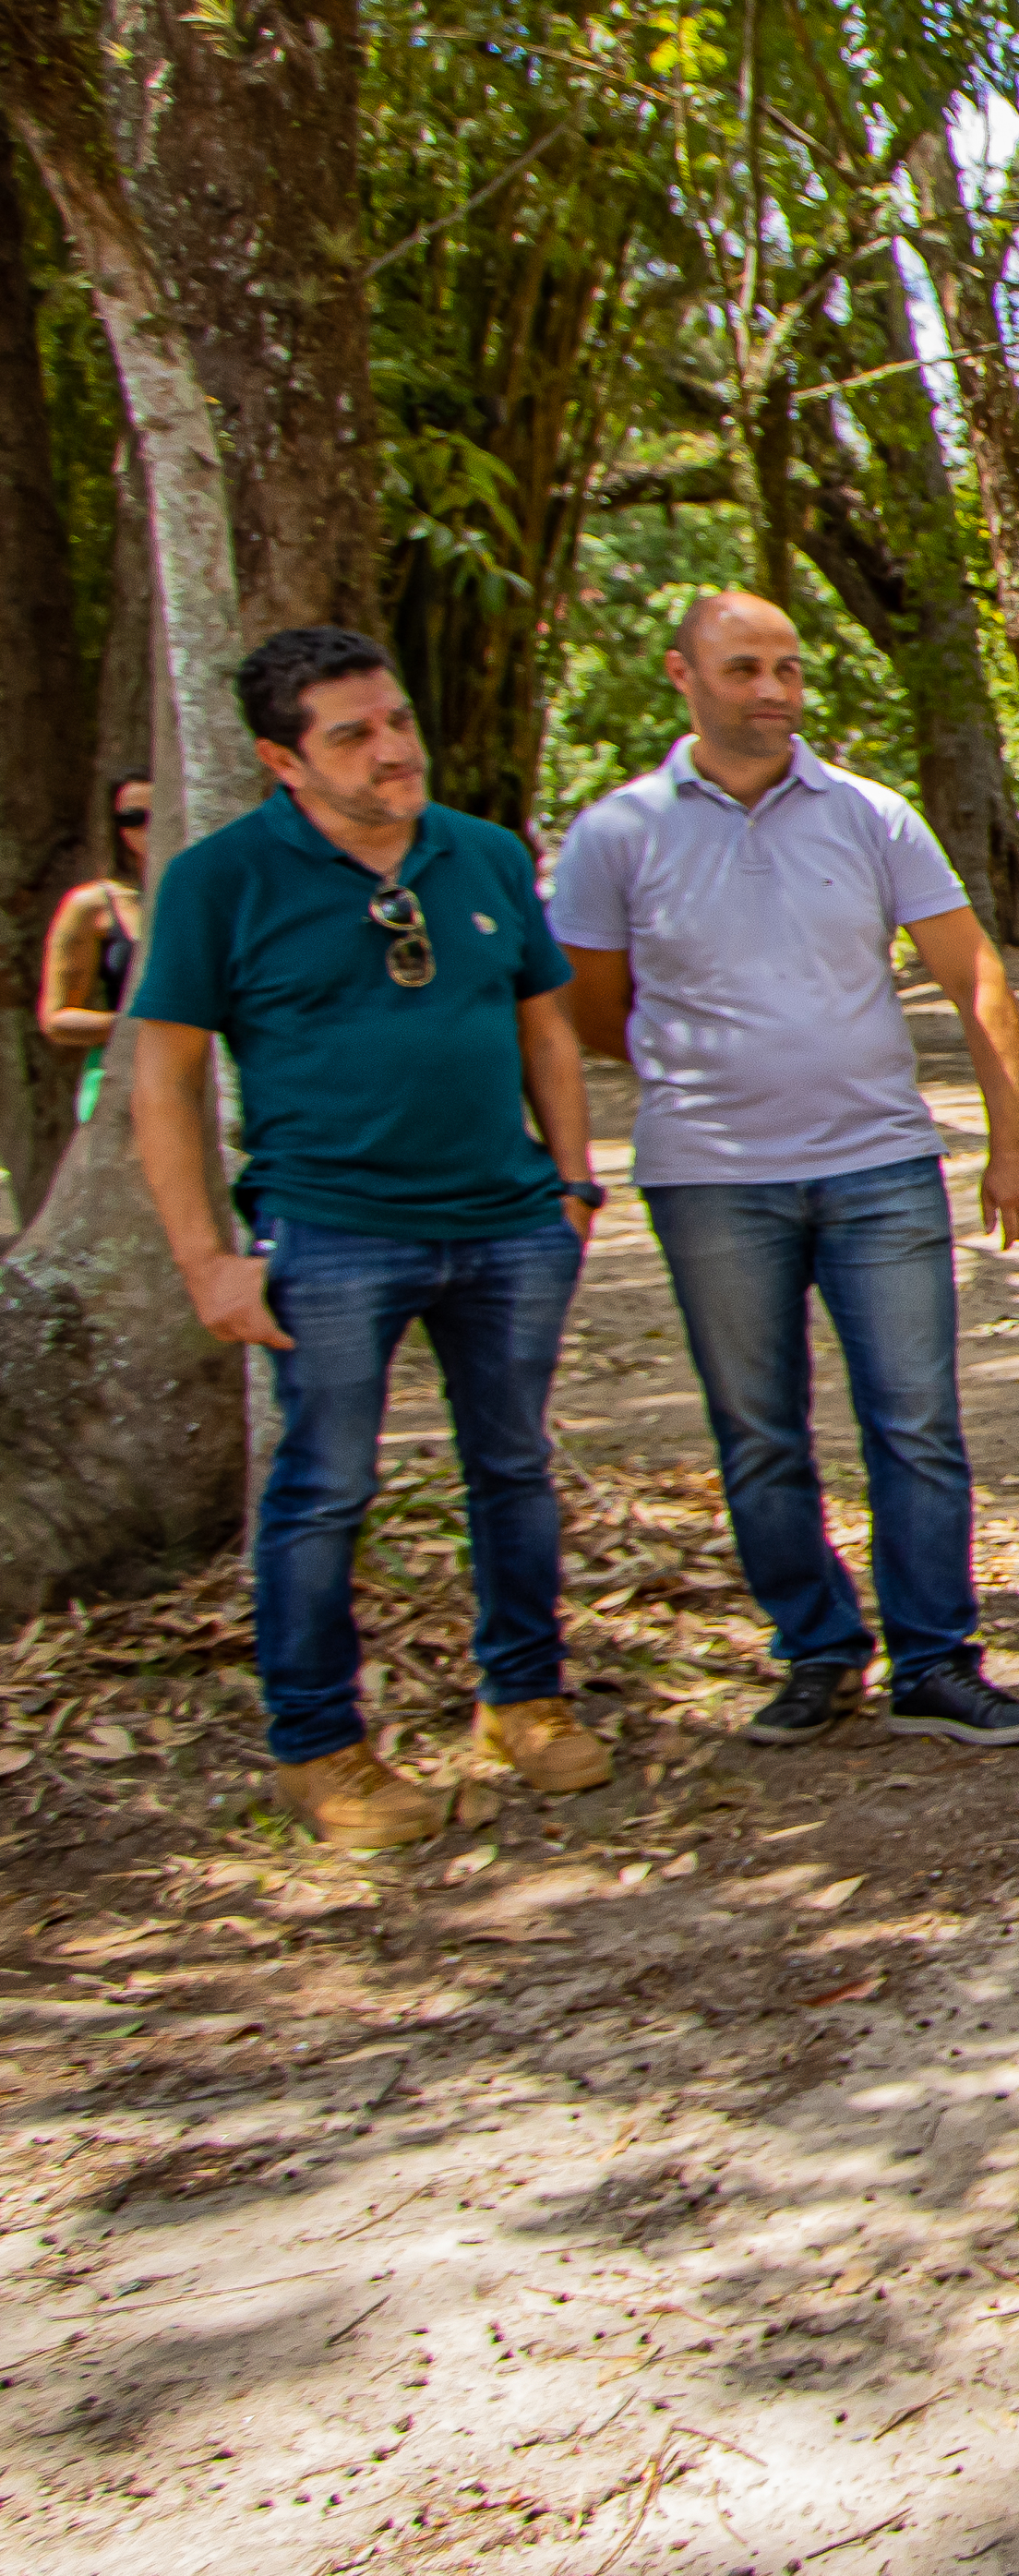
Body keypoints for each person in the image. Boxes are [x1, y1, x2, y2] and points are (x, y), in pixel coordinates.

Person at [548, 590, 1019, 1754]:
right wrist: (706, 1074)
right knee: (759, 1429)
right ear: (682, 675)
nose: (774, 690)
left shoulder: (869, 816)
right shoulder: (617, 832)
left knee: (916, 1420)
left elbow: (971, 971)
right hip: (711, 1180)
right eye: (744, 669)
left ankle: (935, 1661)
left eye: (787, 667)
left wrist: (1011, 1138)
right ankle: (817, 1651)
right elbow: (586, 1004)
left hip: (878, 1165)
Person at [123, 630, 611, 1847]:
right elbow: (163, 1077)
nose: (393, 749)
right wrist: (205, 1259)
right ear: (282, 759)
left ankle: (524, 1700)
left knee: (514, 1469)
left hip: (507, 1224)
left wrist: (571, 1183)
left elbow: (546, 1028)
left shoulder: (484, 852)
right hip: (329, 1232)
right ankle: (318, 1749)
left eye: (396, 720)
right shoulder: (220, 879)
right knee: (324, 1487)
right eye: (353, 734)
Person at [32, 769, 146, 1131]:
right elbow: (57, 1018)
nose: (148, 827)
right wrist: (136, 1027)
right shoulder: (93, 905)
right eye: (133, 818)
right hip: (129, 1080)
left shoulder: (222, 893)